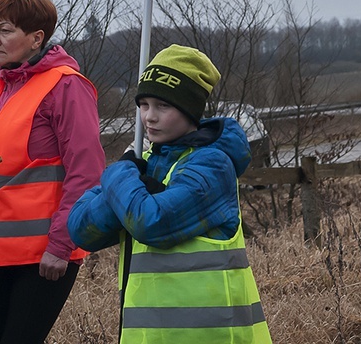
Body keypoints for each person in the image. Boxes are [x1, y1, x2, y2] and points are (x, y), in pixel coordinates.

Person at [68, 44, 272, 343]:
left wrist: (120, 174)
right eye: (144, 104)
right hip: (151, 334)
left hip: (213, 334)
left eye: (163, 106)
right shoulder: (145, 165)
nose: (149, 117)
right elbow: (80, 229)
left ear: (190, 110)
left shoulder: (211, 164)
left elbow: (153, 223)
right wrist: (128, 180)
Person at [0, 0, 105, 344]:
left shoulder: (66, 86)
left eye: (5, 30)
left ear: (37, 37)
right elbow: (4, 161)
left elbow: (86, 174)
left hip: (43, 253)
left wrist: (61, 246)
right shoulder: (1, 86)